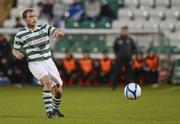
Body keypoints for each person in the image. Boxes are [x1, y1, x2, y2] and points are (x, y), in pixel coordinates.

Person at [12, 9, 64, 119]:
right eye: (31, 16)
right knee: (47, 81)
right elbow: (15, 49)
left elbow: (57, 31)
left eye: (35, 16)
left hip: (48, 61)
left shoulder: (45, 27)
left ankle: (55, 109)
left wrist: (58, 33)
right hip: (35, 63)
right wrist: (17, 54)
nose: (34, 18)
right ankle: (49, 112)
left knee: (58, 91)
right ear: (25, 19)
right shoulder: (20, 34)